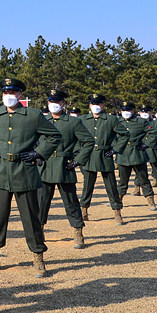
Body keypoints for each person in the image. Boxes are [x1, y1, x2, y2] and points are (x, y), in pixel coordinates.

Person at [0, 78, 61, 277]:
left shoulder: (32, 115)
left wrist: (39, 153)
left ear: (20, 95)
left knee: (31, 217)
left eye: (13, 92)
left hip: (25, 171)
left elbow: (54, 136)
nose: (9, 96)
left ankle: (38, 257)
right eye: (6, 92)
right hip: (1, 172)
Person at [37, 89, 94, 248]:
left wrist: (78, 161)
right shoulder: (41, 120)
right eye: (51, 102)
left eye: (57, 102)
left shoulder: (73, 122)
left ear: (63, 103)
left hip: (64, 166)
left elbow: (88, 141)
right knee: (41, 202)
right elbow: (32, 140)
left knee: (71, 202)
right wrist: (37, 156)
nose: (53, 105)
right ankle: (39, 230)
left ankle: (78, 231)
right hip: (45, 166)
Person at [78, 94, 129, 224]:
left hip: (105, 156)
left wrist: (115, 149)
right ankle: (84, 210)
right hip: (89, 157)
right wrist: (79, 153)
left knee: (111, 186)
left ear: (103, 105)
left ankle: (117, 212)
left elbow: (124, 134)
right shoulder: (83, 119)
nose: (96, 106)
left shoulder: (110, 120)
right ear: (89, 105)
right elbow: (76, 137)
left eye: (98, 104)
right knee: (87, 186)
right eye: (93, 104)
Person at [115, 101, 157, 211]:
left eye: (128, 110)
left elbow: (154, 131)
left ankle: (150, 201)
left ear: (133, 111)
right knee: (122, 181)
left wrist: (146, 144)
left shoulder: (140, 121)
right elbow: (111, 136)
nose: (126, 113)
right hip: (123, 155)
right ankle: (118, 201)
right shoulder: (117, 122)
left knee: (144, 179)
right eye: (124, 110)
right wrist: (116, 147)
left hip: (137, 154)